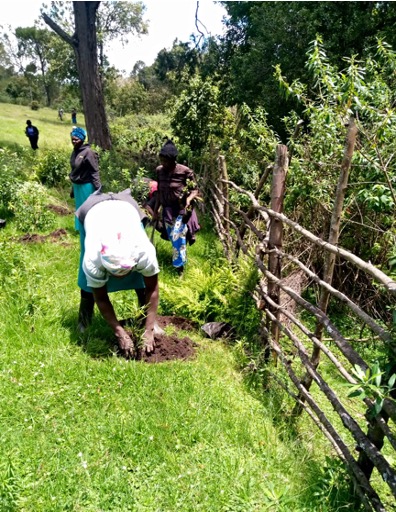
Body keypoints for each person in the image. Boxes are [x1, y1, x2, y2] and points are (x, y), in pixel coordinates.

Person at [75, 189, 160, 357]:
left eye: (124, 272)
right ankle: (84, 320)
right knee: (88, 282)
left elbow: (153, 288)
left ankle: (148, 322)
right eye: (114, 273)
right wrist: (119, 332)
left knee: (143, 282)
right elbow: (100, 297)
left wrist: (149, 331)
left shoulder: (143, 252)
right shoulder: (93, 258)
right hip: (92, 210)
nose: (120, 277)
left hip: (128, 208)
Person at [153, 139, 200, 275]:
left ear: (173, 160)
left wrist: (189, 199)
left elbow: (195, 189)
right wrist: (156, 211)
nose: (163, 164)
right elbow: (159, 192)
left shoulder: (184, 171)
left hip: (180, 209)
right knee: (173, 237)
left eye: (165, 161)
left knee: (178, 236)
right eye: (161, 160)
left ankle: (180, 269)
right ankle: (179, 259)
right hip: (167, 210)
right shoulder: (159, 171)